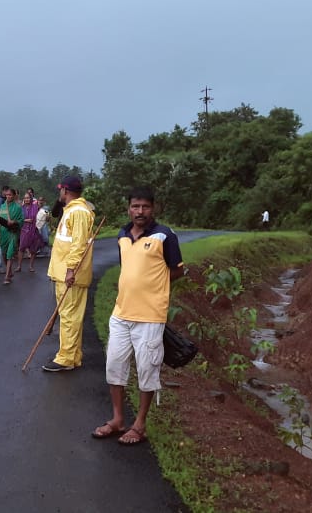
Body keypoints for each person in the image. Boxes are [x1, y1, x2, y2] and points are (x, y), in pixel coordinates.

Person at [91, 186, 185, 446]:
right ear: (128, 208)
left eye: (145, 206)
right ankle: (118, 419)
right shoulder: (122, 234)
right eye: (135, 206)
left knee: (147, 369)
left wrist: (155, 290)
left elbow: (177, 271)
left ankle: (139, 424)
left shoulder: (165, 236)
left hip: (150, 317)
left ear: (153, 208)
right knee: (114, 366)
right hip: (121, 313)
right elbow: (128, 268)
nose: (140, 211)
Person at [43, 175, 96, 372]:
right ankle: (72, 356)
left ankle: (65, 357)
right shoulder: (71, 211)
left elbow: (78, 245)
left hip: (71, 275)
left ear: (65, 191)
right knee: (70, 316)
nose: (59, 193)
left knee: (69, 317)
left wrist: (71, 269)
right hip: (64, 273)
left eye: (60, 190)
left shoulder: (79, 212)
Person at [0, 187, 23, 285]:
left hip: (12, 233)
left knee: (10, 254)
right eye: (7, 195)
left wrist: (14, 222)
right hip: (3, 232)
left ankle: (7, 276)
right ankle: (10, 272)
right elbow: (0, 220)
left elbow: (21, 220)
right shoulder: (3, 206)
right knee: (4, 254)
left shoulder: (17, 207)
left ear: (14, 196)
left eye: (10, 195)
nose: (8, 196)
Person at [19, 191, 45, 272]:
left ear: (31, 198)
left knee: (33, 249)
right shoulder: (21, 208)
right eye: (25, 198)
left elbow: (42, 214)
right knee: (21, 248)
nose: (27, 199)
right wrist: (26, 220)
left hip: (34, 230)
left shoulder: (35, 207)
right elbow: (18, 219)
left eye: (28, 198)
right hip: (24, 230)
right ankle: (19, 266)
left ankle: (31, 266)